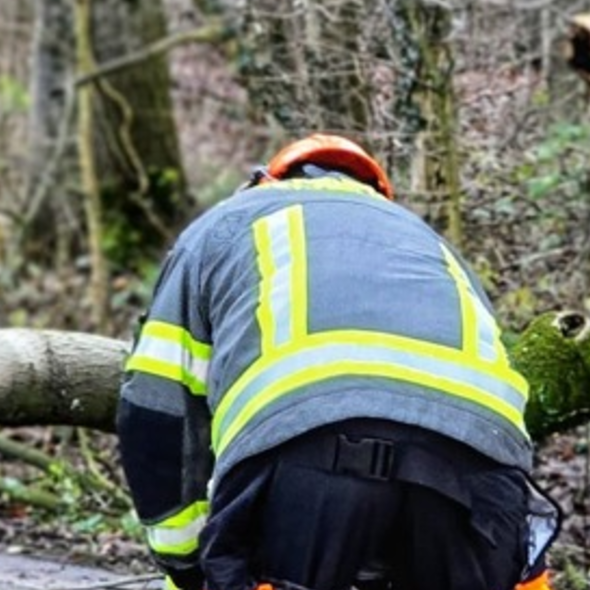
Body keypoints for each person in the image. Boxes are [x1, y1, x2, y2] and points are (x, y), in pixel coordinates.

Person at [116, 134, 560, 590]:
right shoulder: (432, 246)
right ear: (377, 195)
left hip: (306, 457)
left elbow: (156, 413)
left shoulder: (224, 227)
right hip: (478, 475)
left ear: (267, 181)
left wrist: (188, 565)